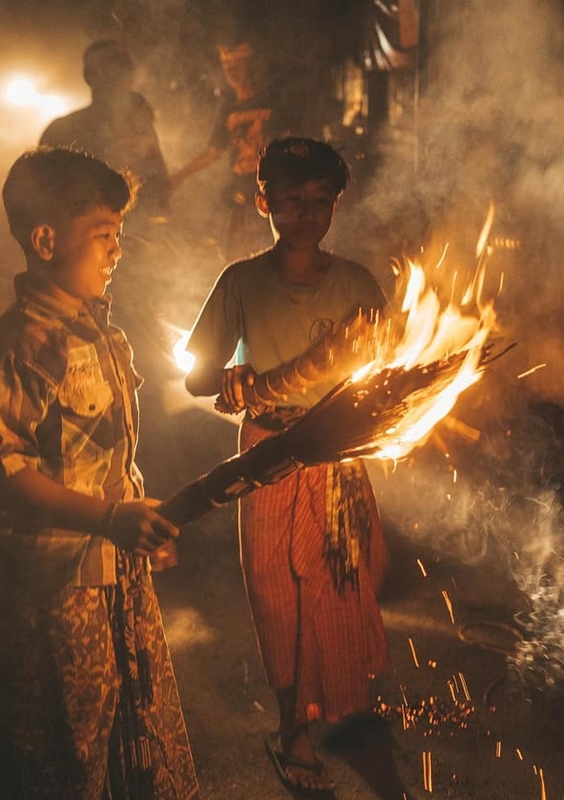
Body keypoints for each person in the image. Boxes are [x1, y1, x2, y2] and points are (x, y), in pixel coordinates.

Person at [0, 147, 200, 800]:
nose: (116, 251)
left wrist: (139, 516)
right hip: (46, 589)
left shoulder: (100, 335)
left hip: (109, 570)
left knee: (128, 725)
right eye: (102, 237)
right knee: (54, 748)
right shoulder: (15, 352)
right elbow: (5, 478)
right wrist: (110, 519)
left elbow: (108, 451)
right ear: (44, 240)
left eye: (118, 236)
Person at [184, 137, 407, 798]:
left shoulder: (357, 283)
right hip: (268, 454)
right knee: (278, 596)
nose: (306, 214)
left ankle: (345, 709)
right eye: (291, 201)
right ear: (265, 203)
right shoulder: (242, 282)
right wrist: (231, 377)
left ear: (336, 204)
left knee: (342, 585)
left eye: (319, 201)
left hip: (336, 455)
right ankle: (293, 732)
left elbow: (388, 370)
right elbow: (198, 375)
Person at [169, 40, 292, 261]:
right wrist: (178, 177)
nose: (231, 72)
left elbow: (289, 141)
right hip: (240, 189)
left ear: (250, 66)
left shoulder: (270, 103)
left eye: (237, 65)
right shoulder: (229, 109)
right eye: (227, 67)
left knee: (276, 250)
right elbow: (213, 151)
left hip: (273, 188)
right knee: (236, 252)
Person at [40, 39, 171, 220]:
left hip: (137, 232)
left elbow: (159, 180)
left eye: (122, 66)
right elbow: (40, 198)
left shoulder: (141, 127)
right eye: (109, 67)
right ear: (90, 76)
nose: (119, 74)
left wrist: (160, 223)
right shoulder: (61, 132)